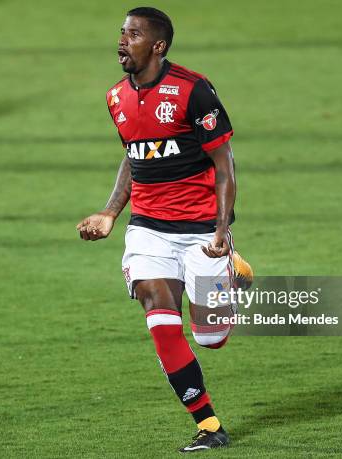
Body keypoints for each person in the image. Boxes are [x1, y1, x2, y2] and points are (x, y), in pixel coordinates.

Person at [77, 6, 246, 452]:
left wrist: (219, 231)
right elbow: (135, 157)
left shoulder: (194, 91)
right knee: (159, 314)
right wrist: (110, 213)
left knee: (210, 338)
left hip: (200, 231)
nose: (121, 41)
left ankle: (230, 273)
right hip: (149, 228)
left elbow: (225, 166)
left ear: (158, 46)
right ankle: (209, 424)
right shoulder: (116, 97)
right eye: (121, 32)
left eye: (132, 34)